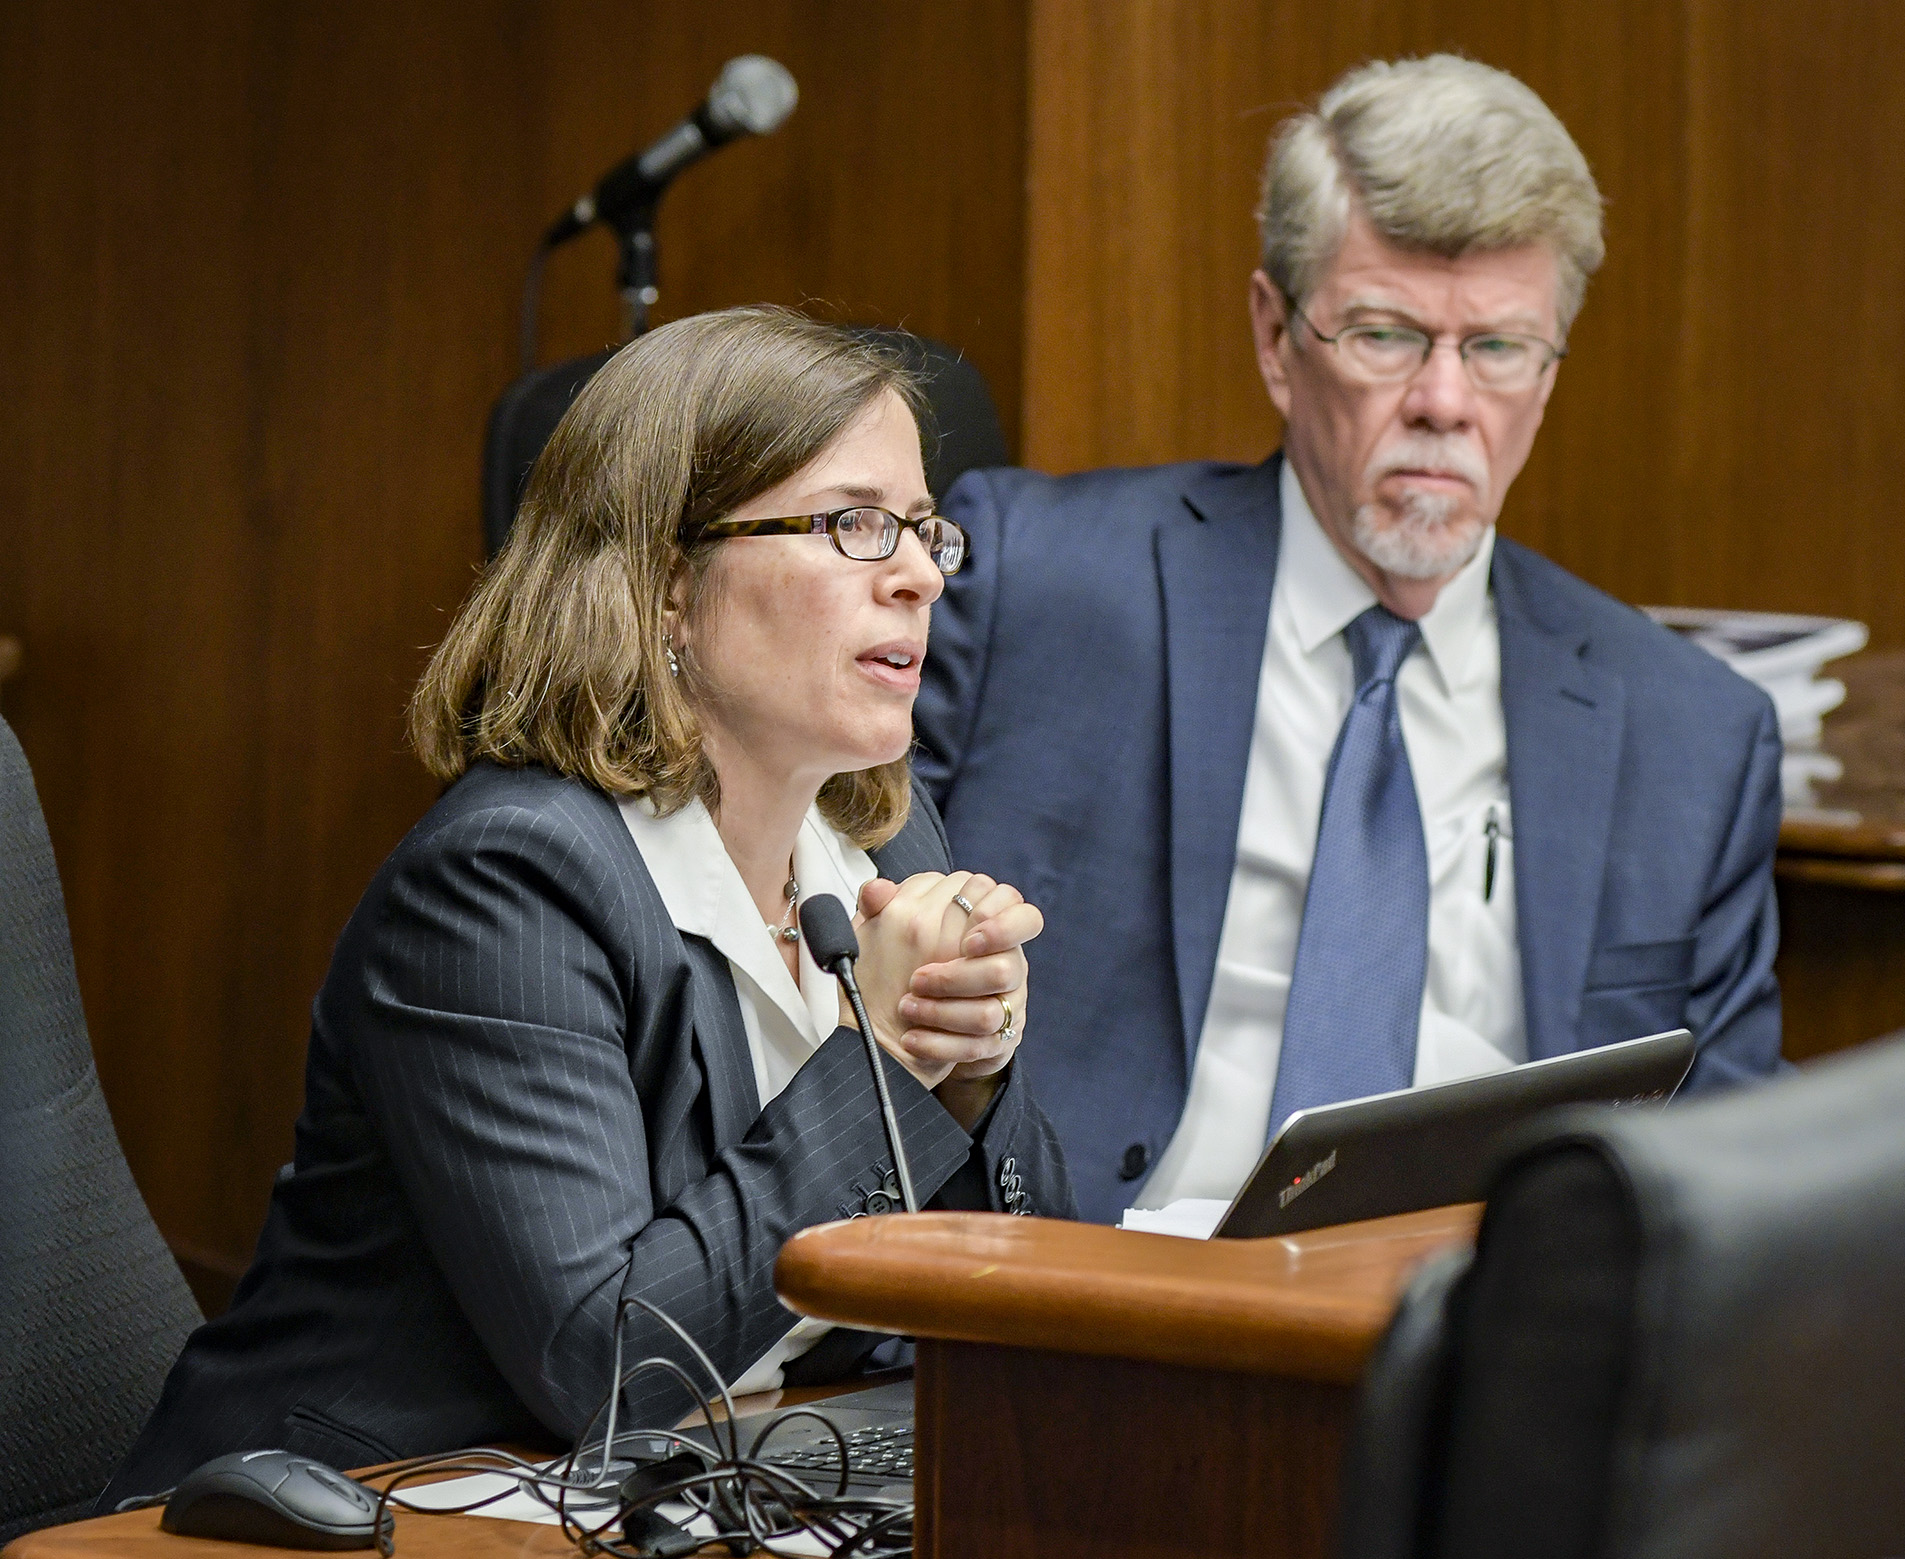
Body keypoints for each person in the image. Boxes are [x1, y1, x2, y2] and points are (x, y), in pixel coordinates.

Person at [103, 307, 1072, 1503]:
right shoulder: (505, 883)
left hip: (715, 1486)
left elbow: (1021, 1292)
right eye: (855, 525)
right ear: (668, 584)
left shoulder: (874, 835)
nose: (922, 573)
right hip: (367, 1513)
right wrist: (888, 1057)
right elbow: (609, 1363)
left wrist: (971, 1074)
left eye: (925, 530)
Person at [915, 55, 1783, 1225]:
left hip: (1478, 1349)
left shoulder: (1692, 733)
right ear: (1279, 337)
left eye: (1497, 349)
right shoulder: (1036, 585)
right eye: (1386, 335)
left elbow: (1731, 1176)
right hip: (1101, 1310)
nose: (1443, 401)